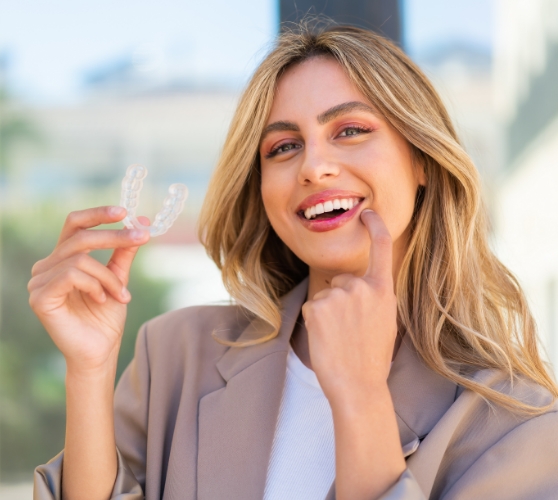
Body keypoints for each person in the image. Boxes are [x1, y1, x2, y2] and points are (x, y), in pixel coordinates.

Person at [30, 22, 558, 500]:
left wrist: (361, 396)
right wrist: (89, 370)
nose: (314, 167)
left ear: (421, 160)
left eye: (350, 130)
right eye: (283, 147)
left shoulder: (519, 426)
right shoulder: (174, 355)